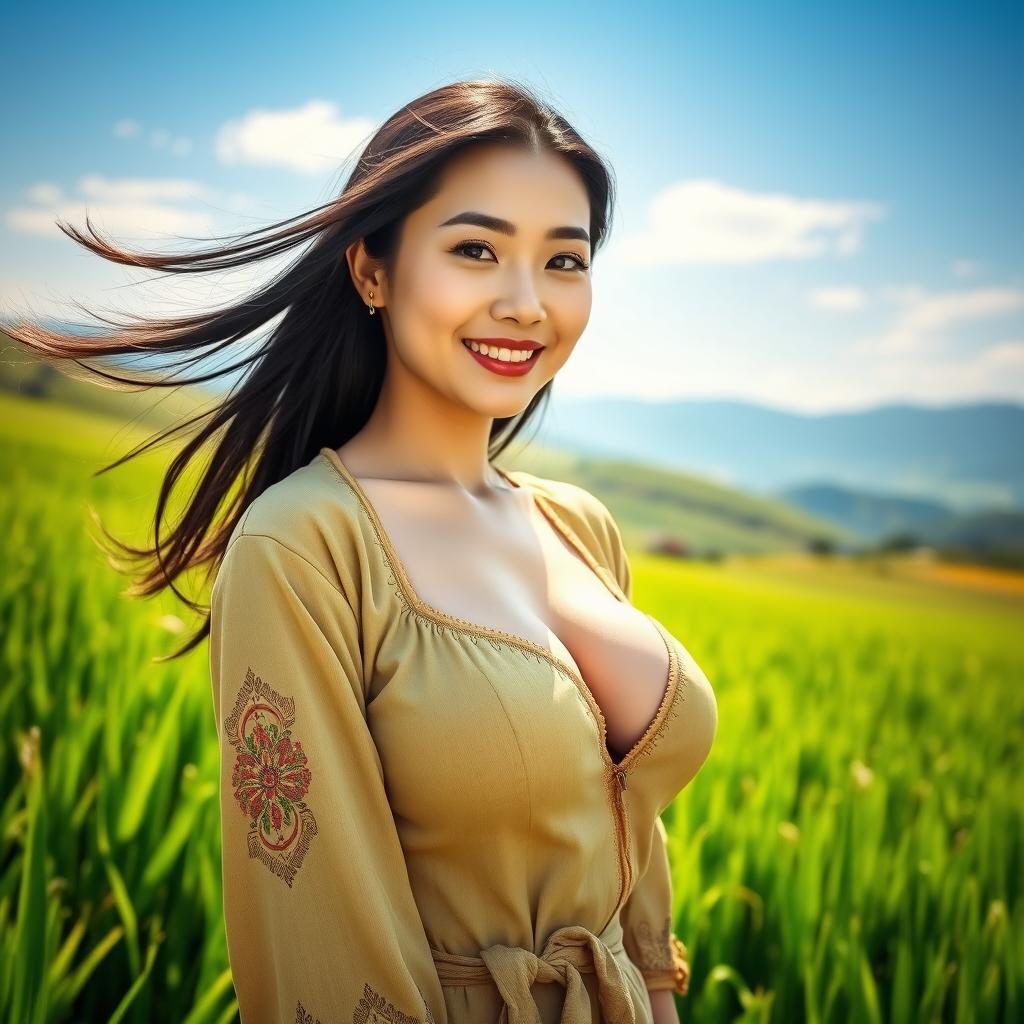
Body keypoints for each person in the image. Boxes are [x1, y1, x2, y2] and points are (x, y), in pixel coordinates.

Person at [6, 77, 718, 1024]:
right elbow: (318, 937)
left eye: (564, 261)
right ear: (371, 270)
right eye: (476, 249)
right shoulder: (303, 547)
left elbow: (636, 880)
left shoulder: (578, 527)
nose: (525, 302)